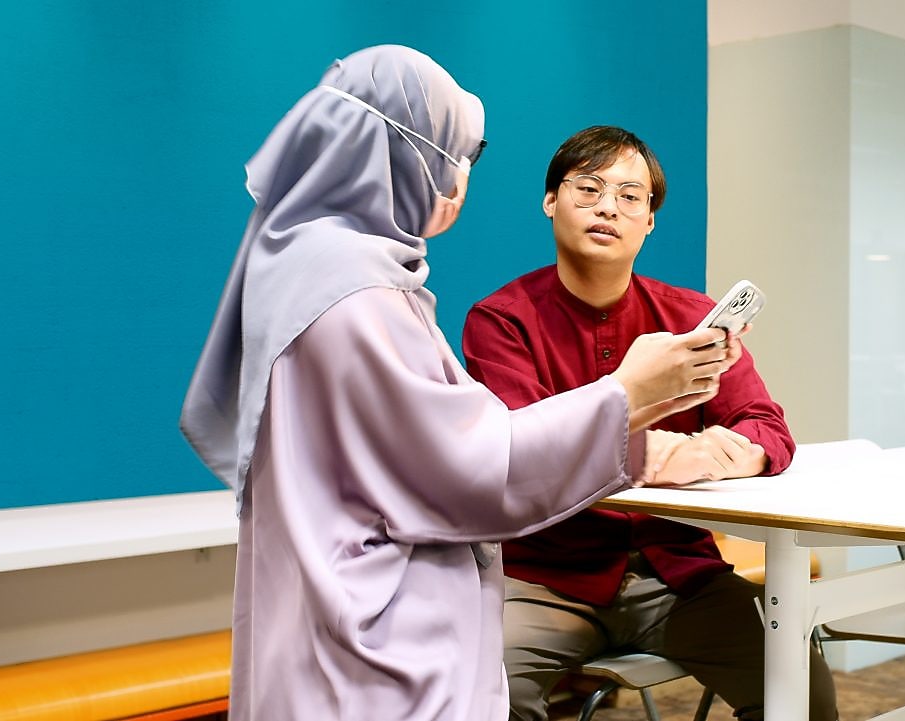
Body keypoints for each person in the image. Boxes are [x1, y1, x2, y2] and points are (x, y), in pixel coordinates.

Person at [179, 49, 743, 721]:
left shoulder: (300, 257)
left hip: (321, 592)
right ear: (409, 156)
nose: (459, 179)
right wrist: (627, 395)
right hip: (378, 625)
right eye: (455, 155)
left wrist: (644, 396)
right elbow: (474, 467)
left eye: (630, 196)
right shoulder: (359, 293)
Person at [462, 125, 839, 721]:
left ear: (650, 220)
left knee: (798, 681)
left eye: (630, 196)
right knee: (482, 686)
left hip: (676, 572)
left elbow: (766, 426)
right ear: (550, 201)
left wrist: (711, 451)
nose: (608, 206)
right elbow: (523, 451)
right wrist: (647, 452)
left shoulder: (691, 318)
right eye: (588, 189)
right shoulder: (501, 321)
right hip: (546, 574)